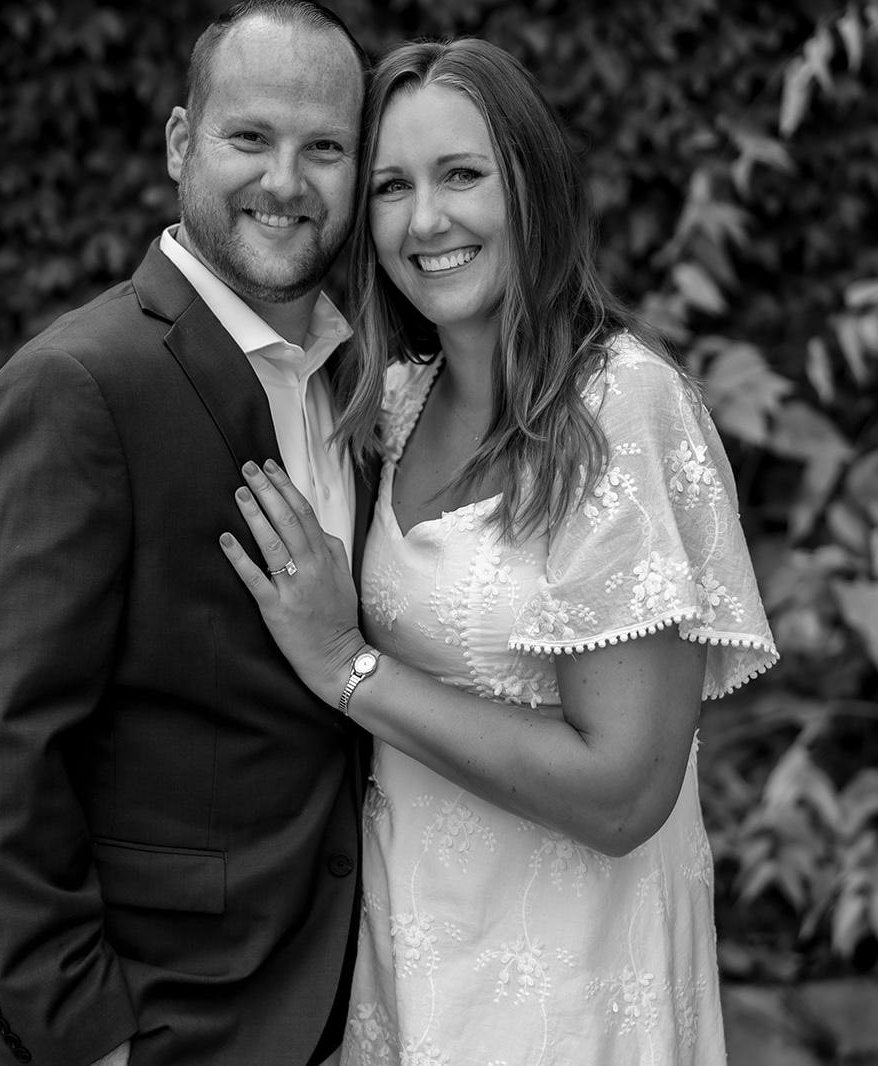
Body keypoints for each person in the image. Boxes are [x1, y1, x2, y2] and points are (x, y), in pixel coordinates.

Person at [219, 38, 779, 1065]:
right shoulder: (394, 404)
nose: (426, 221)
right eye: (392, 186)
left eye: (462, 175)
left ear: (533, 186)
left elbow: (623, 794)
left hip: (567, 986)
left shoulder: (620, 408)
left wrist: (347, 667)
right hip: (407, 960)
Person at [0, 3, 372, 1065]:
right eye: (250, 137)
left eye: (324, 148)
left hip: (339, 998)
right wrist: (82, 1034)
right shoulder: (77, 385)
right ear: (182, 142)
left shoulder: (359, 381)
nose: (286, 181)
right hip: (154, 1015)